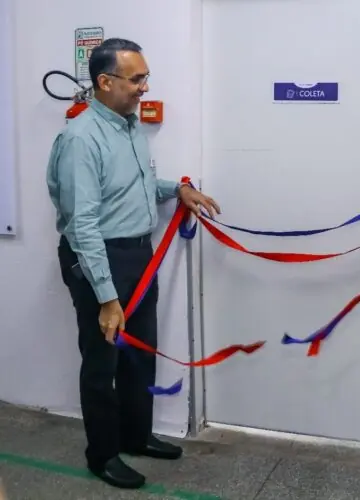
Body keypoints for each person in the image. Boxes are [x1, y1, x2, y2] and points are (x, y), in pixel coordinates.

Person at [46, 38, 221, 490]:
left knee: (139, 353)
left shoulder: (128, 127)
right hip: (98, 259)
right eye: (137, 79)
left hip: (138, 255)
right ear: (105, 82)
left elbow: (133, 186)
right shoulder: (80, 138)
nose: (145, 87)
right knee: (101, 361)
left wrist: (177, 189)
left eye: (146, 77)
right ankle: (103, 454)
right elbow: (83, 224)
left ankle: (136, 435)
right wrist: (107, 298)